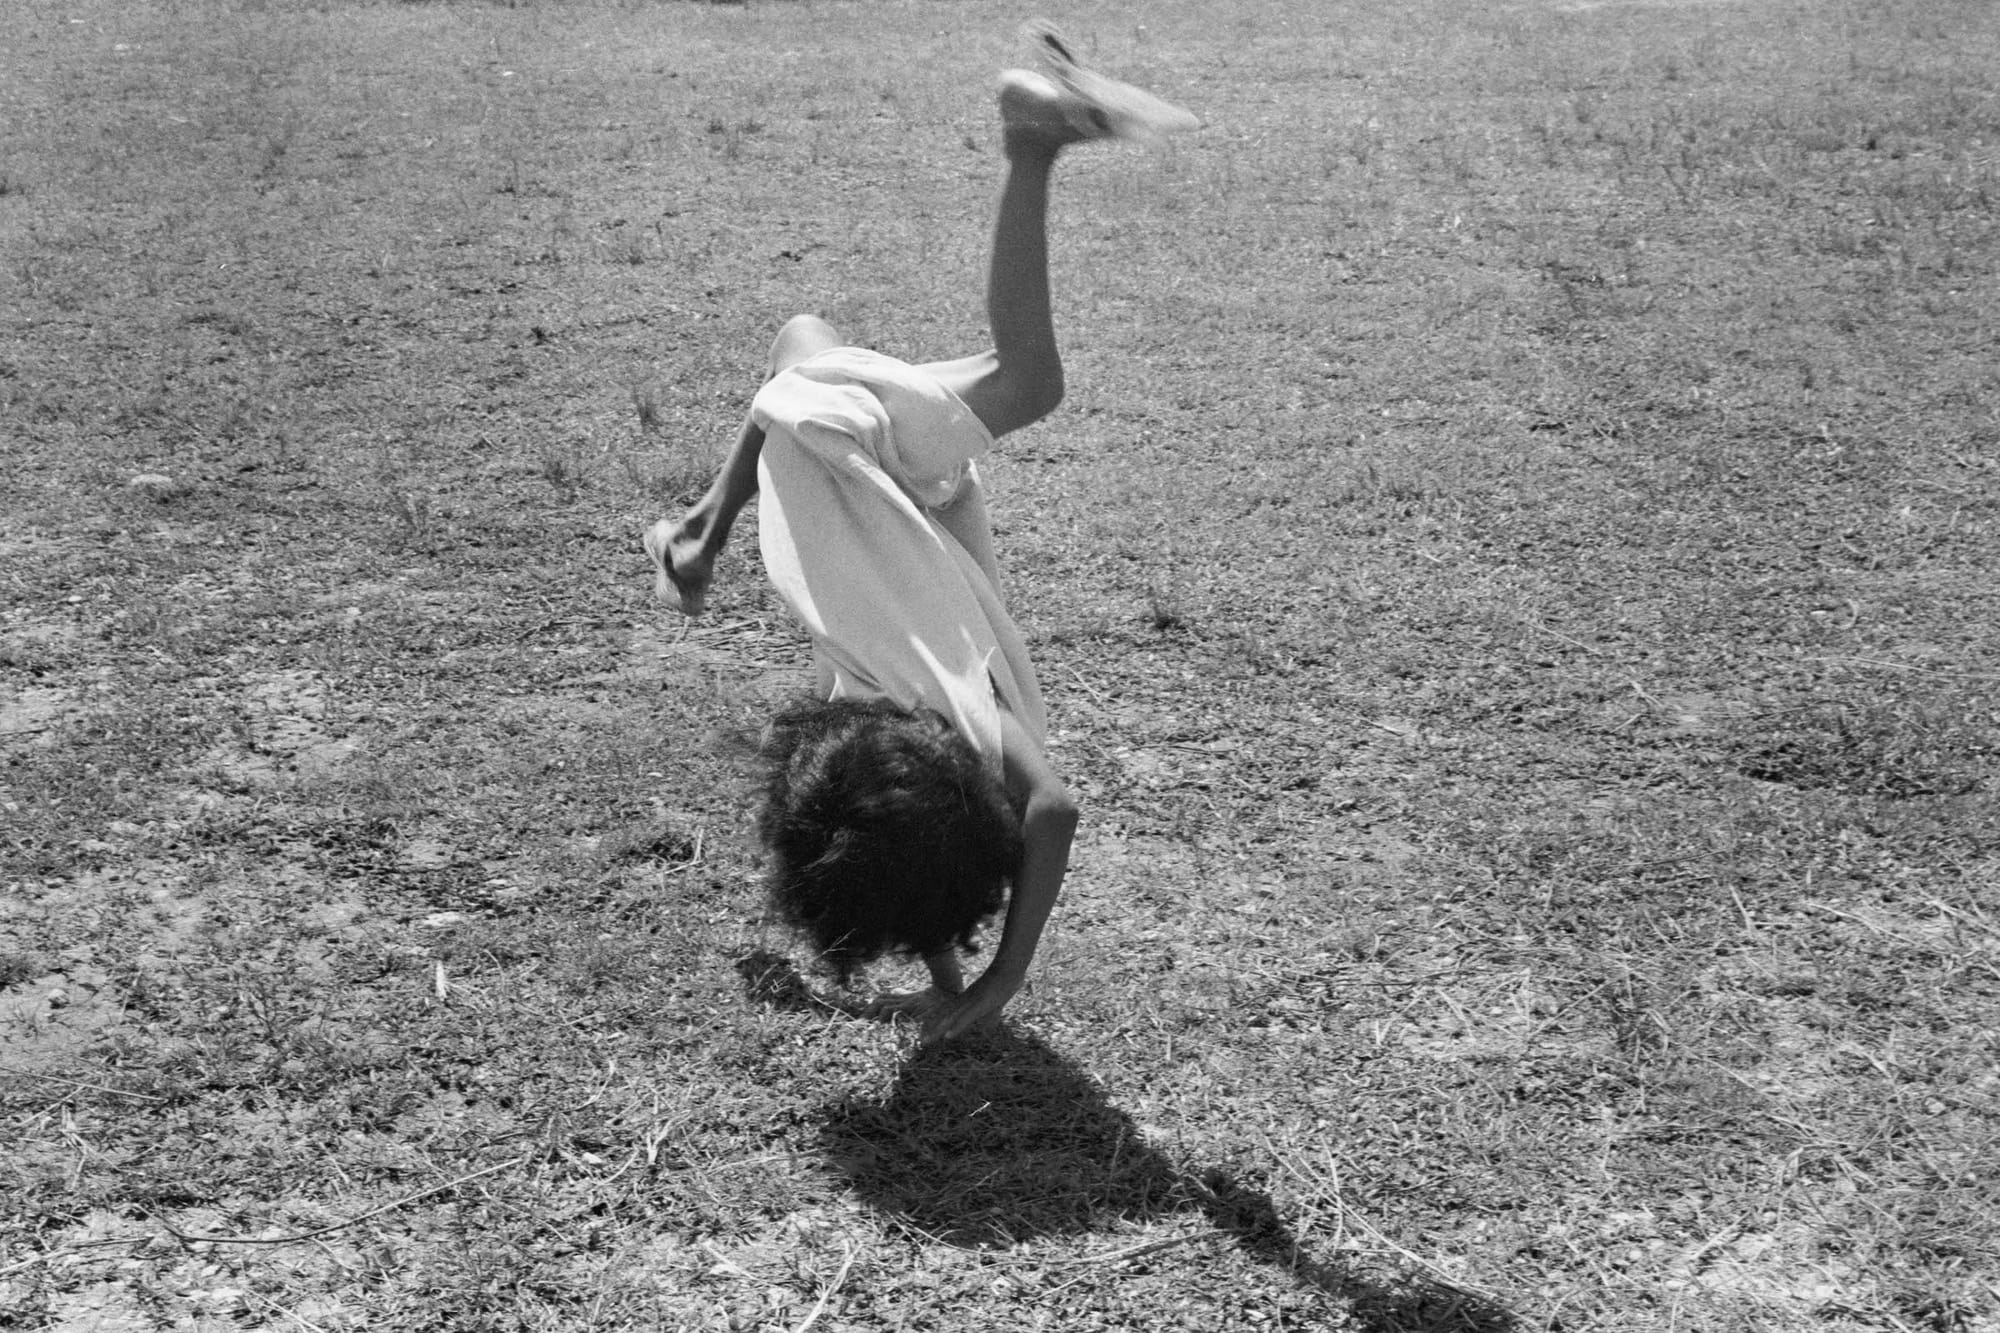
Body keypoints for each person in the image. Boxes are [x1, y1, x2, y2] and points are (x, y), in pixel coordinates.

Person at [643, 26, 1197, 1045]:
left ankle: (1030, 138)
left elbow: (1053, 811)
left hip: (851, 451)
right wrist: (949, 979)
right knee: (806, 347)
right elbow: (923, 860)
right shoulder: (854, 715)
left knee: (1025, 380)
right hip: (844, 461)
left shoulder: (958, 715)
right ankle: (703, 527)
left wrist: (998, 979)